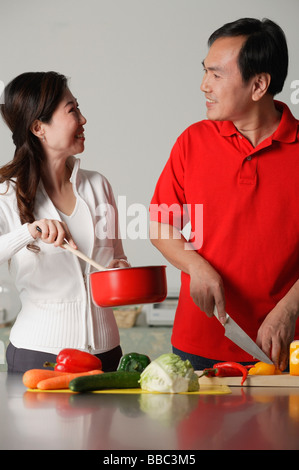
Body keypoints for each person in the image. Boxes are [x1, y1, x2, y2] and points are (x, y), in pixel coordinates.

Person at [149, 18, 299, 371]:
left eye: (216, 75)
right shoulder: (193, 140)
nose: (204, 85)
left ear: (258, 84)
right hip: (199, 343)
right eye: (205, 72)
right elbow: (160, 226)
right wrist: (197, 268)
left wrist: (290, 308)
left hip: (287, 349)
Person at [0, 71, 129, 373]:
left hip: (107, 354)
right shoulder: (6, 192)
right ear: (38, 127)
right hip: (40, 355)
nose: (83, 119)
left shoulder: (98, 185)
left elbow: (118, 257)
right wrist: (28, 232)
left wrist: (119, 271)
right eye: (72, 111)